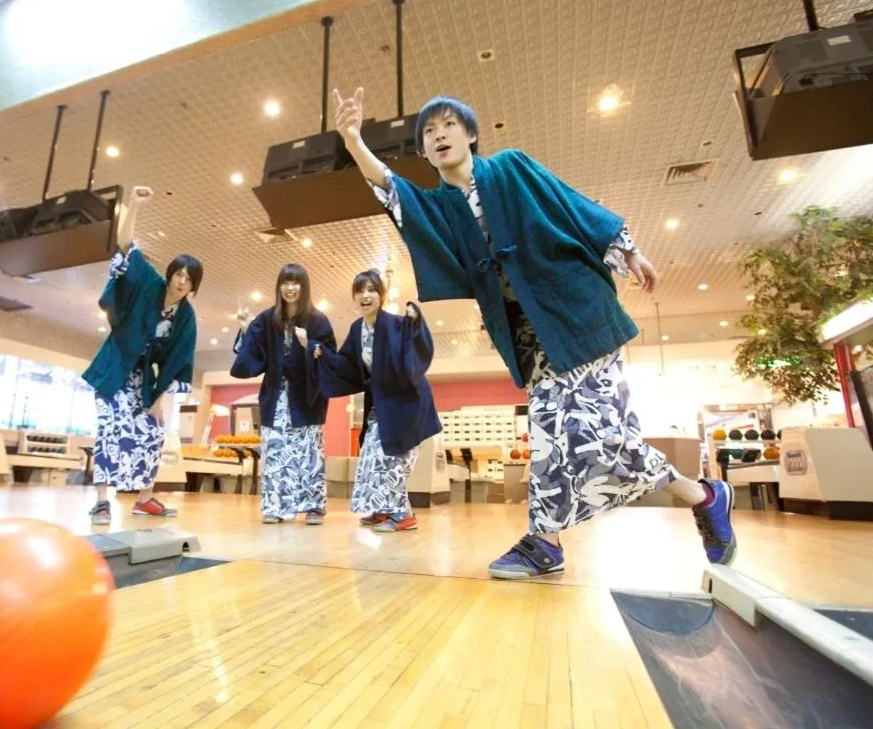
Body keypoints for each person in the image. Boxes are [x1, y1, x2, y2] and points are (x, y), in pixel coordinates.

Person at [331, 88, 737, 578]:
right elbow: (393, 189)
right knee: (564, 433)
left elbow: (569, 204)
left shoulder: (512, 168)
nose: (439, 135)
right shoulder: (440, 206)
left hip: (576, 316)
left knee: (591, 435)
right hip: (530, 335)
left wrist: (626, 251)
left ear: (471, 134)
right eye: (429, 132)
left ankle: (557, 538)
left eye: (449, 125)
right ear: (424, 151)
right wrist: (354, 141)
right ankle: (697, 500)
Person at [82, 186, 202, 526]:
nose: (182, 281)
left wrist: (158, 401)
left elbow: (177, 362)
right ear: (170, 274)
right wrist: (133, 205)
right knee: (110, 429)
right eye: (178, 274)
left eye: (189, 278)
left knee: (153, 432)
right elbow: (125, 247)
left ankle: (144, 498)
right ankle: (102, 502)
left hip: (144, 381)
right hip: (114, 370)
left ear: (194, 286)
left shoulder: (186, 317)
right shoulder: (148, 283)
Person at [313, 269, 441, 532]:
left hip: (407, 401)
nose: (366, 295)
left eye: (372, 290)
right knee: (371, 454)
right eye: (360, 291)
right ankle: (383, 509)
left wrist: (416, 322)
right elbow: (347, 365)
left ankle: (403, 516)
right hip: (381, 403)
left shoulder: (397, 324)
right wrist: (323, 355)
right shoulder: (357, 329)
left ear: (382, 295)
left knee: (393, 456)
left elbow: (416, 349)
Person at [230, 264, 337, 524]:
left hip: (307, 396)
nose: (290, 288)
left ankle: (314, 506)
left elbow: (330, 356)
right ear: (279, 287)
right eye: (285, 282)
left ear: (304, 286)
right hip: (276, 395)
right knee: (275, 450)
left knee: (308, 451)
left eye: (295, 282)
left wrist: (309, 345)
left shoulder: (318, 320)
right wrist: (245, 329)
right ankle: (274, 506)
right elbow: (253, 354)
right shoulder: (267, 319)